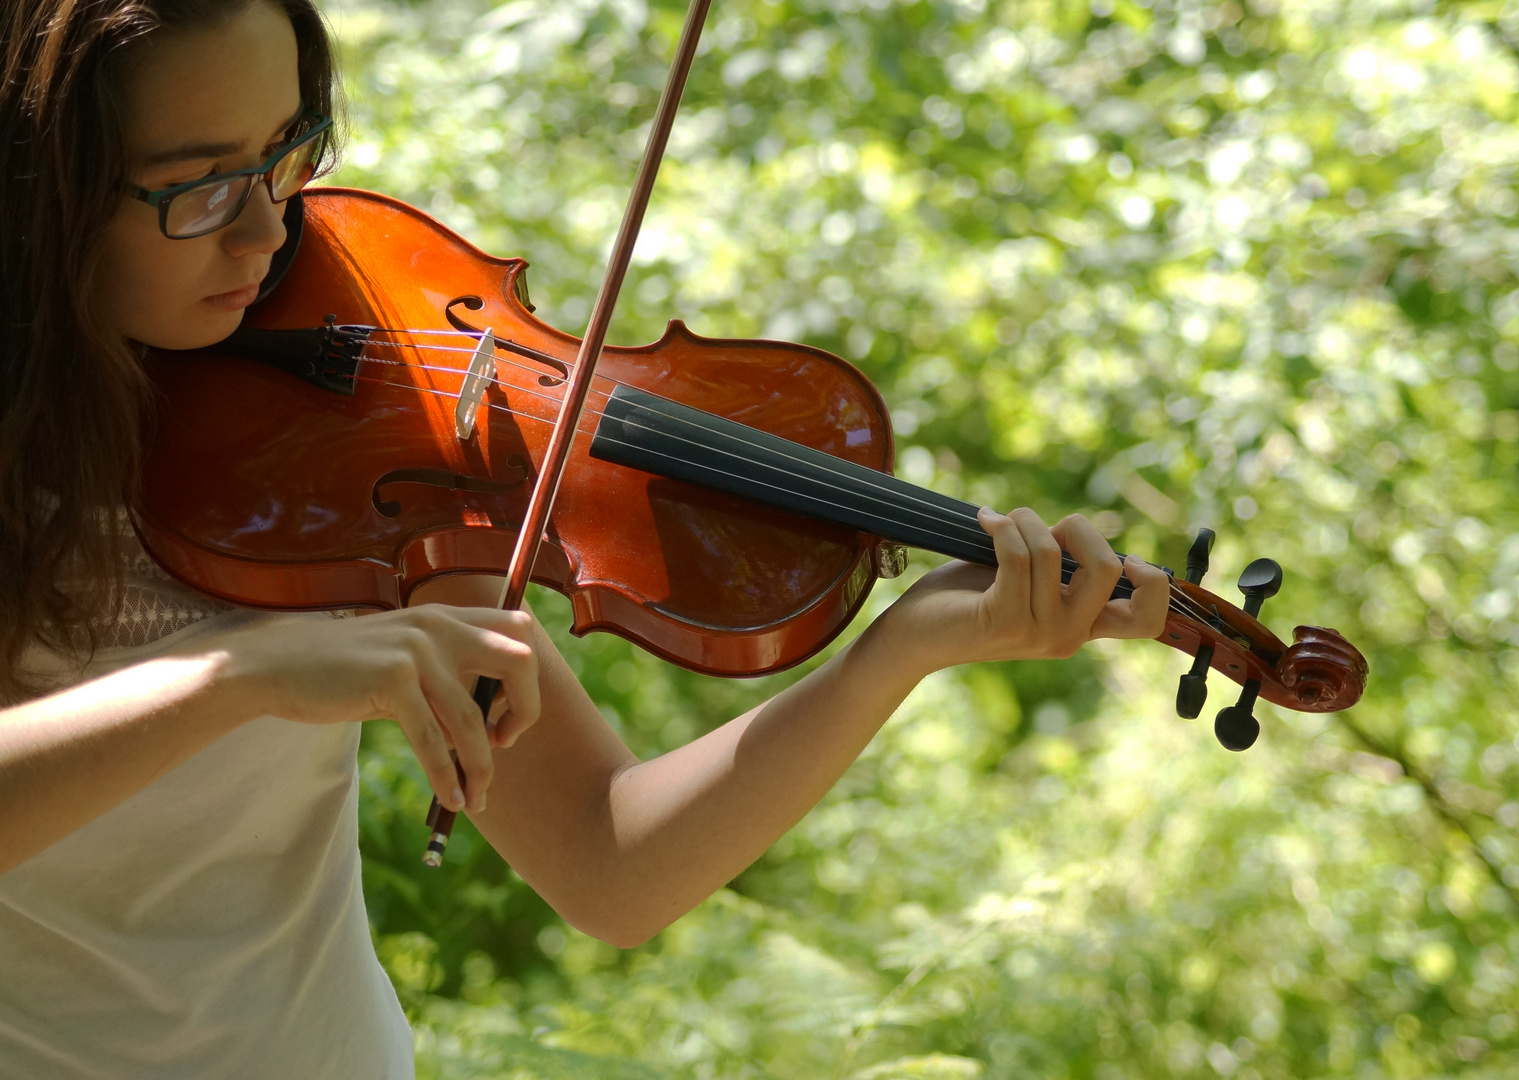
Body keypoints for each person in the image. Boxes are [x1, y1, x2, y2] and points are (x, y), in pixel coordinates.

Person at [0, 0, 1171, 1075]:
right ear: (38, 186)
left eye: (288, 154)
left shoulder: (360, 444)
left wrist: (903, 646)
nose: (267, 234)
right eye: (198, 187)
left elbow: (614, 867)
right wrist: (237, 675)